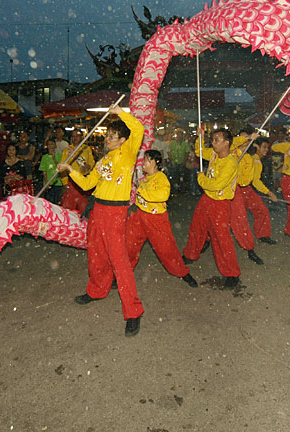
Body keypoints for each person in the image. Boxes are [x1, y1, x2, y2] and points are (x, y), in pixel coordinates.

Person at [57, 105, 145, 337]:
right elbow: (87, 184)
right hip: (97, 211)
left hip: (116, 213)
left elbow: (138, 128)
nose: (108, 139)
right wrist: (69, 170)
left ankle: (133, 311)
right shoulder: (104, 160)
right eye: (107, 135)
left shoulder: (128, 153)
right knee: (96, 253)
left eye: (112, 136)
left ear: (123, 140)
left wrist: (120, 114)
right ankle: (96, 290)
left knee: (119, 261)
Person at [126, 150, 198, 288]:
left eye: (146, 160)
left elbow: (162, 195)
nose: (143, 163)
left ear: (154, 162)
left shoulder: (161, 178)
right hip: (139, 217)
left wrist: (141, 190)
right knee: (129, 247)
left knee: (167, 249)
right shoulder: (145, 178)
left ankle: (182, 272)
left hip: (156, 219)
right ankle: (122, 274)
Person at [183, 127, 242, 287]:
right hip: (206, 199)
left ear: (227, 143)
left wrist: (201, 178)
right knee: (196, 228)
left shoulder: (231, 162)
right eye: (213, 139)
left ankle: (232, 273)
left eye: (217, 140)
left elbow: (217, 185)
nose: (213, 143)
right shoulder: (215, 154)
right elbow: (199, 151)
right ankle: (190, 254)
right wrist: (200, 137)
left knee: (221, 238)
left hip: (220, 203)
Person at [228, 134, 269, 265]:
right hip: (224, 189)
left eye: (248, 141)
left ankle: (249, 248)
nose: (245, 143)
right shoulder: (229, 153)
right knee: (215, 220)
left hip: (240, 189)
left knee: (241, 219)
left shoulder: (248, 159)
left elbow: (248, 180)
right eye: (244, 139)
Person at [60, 129, 94, 214]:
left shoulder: (86, 149)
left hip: (84, 182)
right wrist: (65, 183)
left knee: (83, 207)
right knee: (68, 208)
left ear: (81, 137)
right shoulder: (67, 150)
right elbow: (63, 167)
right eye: (73, 136)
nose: (75, 138)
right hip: (72, 182)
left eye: (77, 136)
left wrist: (87, 167)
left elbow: (92, 164)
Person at [38, 139, 64, 204]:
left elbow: (61, 168)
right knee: (48, 202)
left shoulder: (60, 155)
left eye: (52, 144)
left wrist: (54, 158)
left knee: (57, 201)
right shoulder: (44, 157)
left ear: (55, 145)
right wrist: (46, 182)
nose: (50, 146)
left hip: (58, 183)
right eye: (49, 144)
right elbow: (44, 171)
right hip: (49, 183)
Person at [168, 129, 191, 194]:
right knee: (174, 176)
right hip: (174, 162)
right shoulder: (172, 143)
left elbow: (187, 153)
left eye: (181, 135)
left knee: (181, 176)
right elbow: (169, 152)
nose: (179, 137)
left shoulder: (185, 144)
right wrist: (171, 160)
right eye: (178, 135)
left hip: (181, 163)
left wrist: (184, 162)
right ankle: (174, 189)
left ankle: (181, 190)